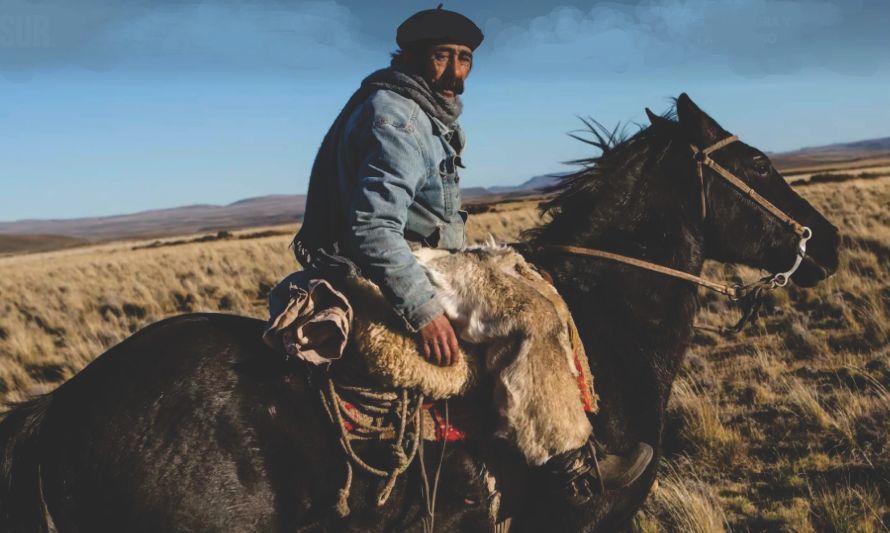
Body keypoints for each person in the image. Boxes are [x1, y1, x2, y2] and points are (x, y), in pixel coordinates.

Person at [284, 5, 651, 505]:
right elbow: (372, 227)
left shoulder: (410, 107)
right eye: (441, 57)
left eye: (465, 59)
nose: (456, 72)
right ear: (410, 56)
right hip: (399, 259)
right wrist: (423, 311)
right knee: (531, 317)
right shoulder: (402, 120)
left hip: (417, 250)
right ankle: (565, 470)